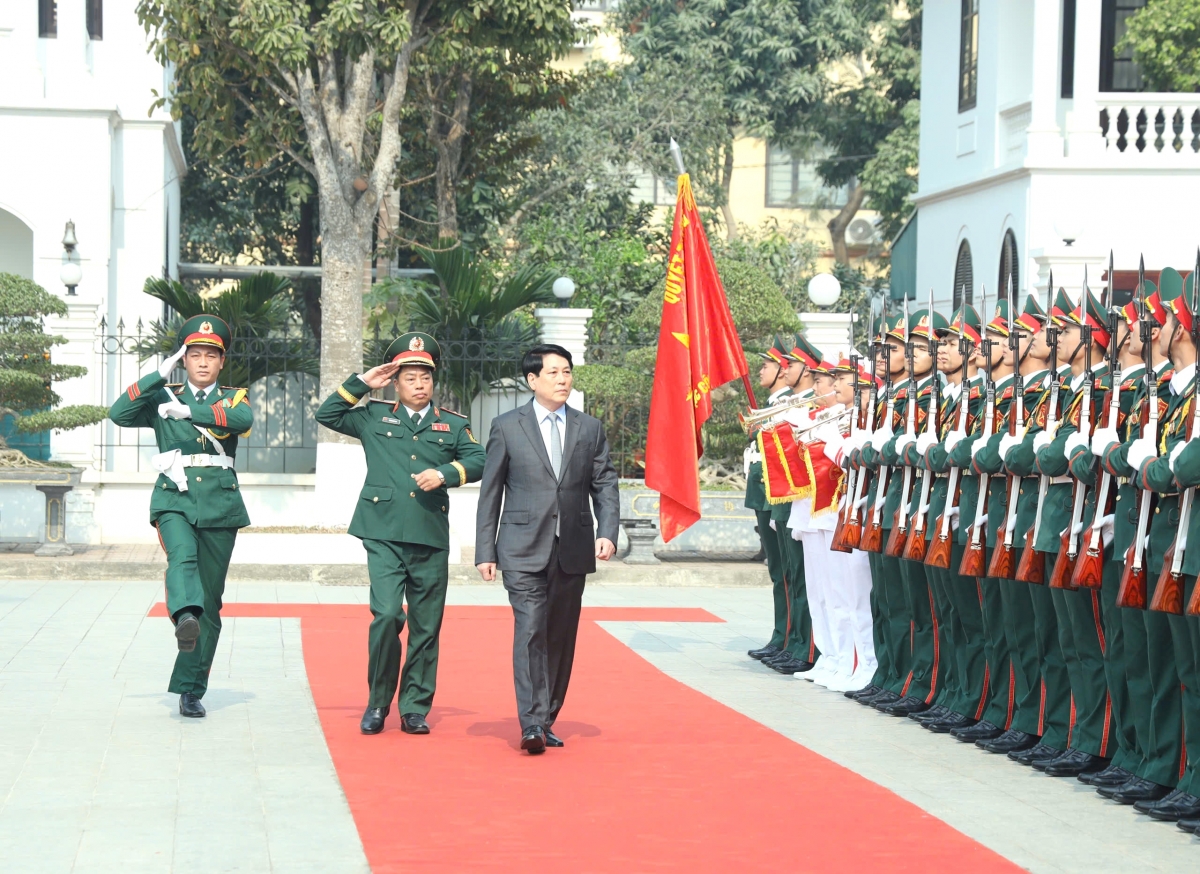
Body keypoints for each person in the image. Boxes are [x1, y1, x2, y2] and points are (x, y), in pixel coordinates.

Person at [316, 332, 487, 736]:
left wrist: (446, 474)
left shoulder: (453, 424)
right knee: (389, 615)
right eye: (410, 378)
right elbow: (328, 415)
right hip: (383, 532)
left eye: (425, 377)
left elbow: (479, 459)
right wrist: (361, 383)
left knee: (427, 625)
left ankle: (414, 707)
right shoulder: (373, 416)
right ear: (396, 381)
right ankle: (378, 702)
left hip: (429, 534)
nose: (419, 385)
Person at [475, 344, 620, 755]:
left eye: (567, 372)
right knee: (530, 631)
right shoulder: (507, 426)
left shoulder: (588, 427)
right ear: (532, 380)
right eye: (554, 372)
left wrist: (607, 530)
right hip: (521, 548)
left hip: (572, 548)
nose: (562, 379)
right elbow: (491, 492)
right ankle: (532, 722)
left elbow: (604, 483)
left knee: (560, 636)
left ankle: (548, 714)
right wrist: (485, 550)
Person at [108, 314, 252, 719]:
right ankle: (183, 615)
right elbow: (118, 414)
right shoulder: (162, 394)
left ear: (221, 362)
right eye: (194, 355)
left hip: (220, 505)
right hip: (174, 496)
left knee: (211, 601)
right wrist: (157, 375)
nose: (203, 362)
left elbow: (243, 422)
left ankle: (191, 689)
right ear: (183, 359)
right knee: (182, 559)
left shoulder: (233, 399)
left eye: (211, 355)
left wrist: (190, 414)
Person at [744, 337, 802, 666]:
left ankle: (792, 639)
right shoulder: (774, 403)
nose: (760, 370)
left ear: (783, 371)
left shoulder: (794, 403)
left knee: (790, 573)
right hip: (764, 492)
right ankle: (782, 635)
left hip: (780, 493)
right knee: (778, 571)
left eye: (767, 365)